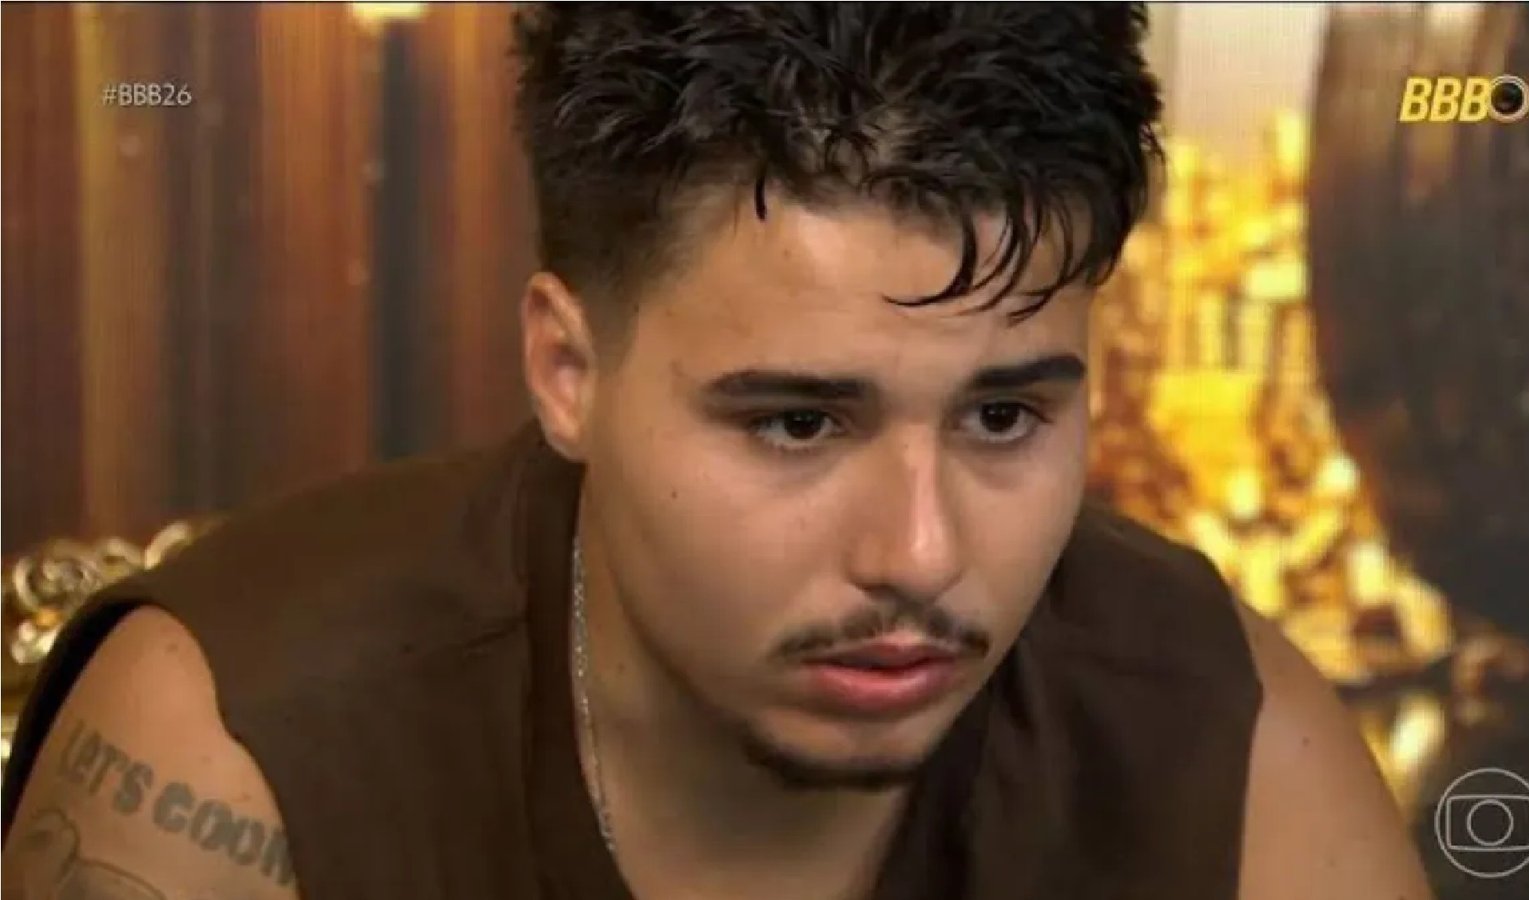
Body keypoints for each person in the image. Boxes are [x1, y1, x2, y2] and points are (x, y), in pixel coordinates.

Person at [2, 4, 1434, 898]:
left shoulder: (1230, 751)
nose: (920, 555)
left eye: (1003, 417)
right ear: (568, 372)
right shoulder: (240, 754)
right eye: (799, 422)